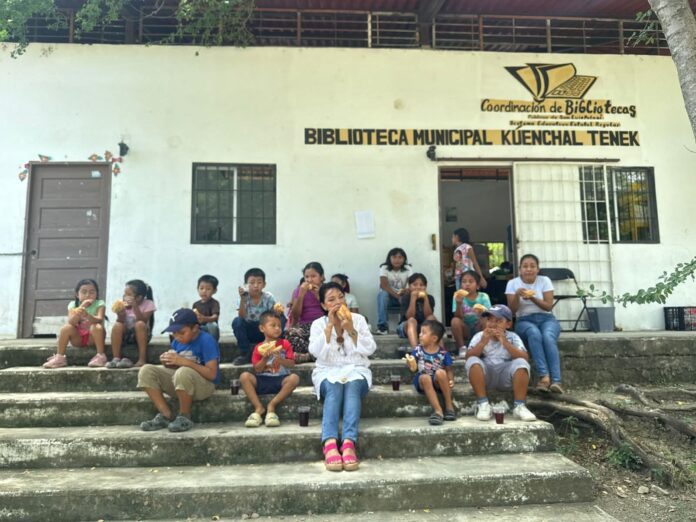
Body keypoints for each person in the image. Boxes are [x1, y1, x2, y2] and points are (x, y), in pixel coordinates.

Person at [309, 282, 376, 472]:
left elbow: (370, 349)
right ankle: (330, 442)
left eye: (340, 297)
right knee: (334, 387)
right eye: (331, 300)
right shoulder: (318, 324)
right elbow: (315, 352)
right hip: (327, 370)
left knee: (352, 386)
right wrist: (330, 326)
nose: (338, 302)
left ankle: (348, 443)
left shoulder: (358, 319)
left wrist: (351, 330)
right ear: (324, 305)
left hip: (357, 368)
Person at [138, 308, 220, 433]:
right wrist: (168, 362)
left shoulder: (206, 340)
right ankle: (166, 415)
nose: (177, 337)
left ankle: (184, 416)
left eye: (181, 333)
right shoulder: (177, 342)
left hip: (205, 386)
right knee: (146, 370)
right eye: (174, 333)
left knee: (183, 372)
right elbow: (177, 368)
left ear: (195, 328)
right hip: (183, 383)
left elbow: (212, 374)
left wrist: (185, 362)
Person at [464, 304, 537, 422]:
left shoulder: (513, 337)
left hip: (506, 376)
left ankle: (519, 406)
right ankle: (483, 404)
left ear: (508, 324)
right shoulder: (479, 336)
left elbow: (525, 357)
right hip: (486, 376)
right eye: (489, 320)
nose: (492, 324)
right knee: (473, 361)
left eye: (498, 321)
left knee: (521, 363)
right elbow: (468, 357)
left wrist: (505, 342)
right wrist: (482, 343)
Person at [506, 254, 564, 394]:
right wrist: (517, 296)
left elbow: (548, 306)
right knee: (534, 333)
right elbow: (511, 311)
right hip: (524, 320)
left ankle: (556, 381)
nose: (529, 269)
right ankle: (544, 377)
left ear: (538, 269)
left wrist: (532, 297)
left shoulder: (545, 281)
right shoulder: (513, 283)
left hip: (547, 319)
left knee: (548, 336)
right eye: (525, 266)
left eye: (532, 266)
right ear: (520, 269)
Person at [239, 311, 300, 428]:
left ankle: (272, 405)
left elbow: (291, 364)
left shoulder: (285, 344)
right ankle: (258, 407)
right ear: (262, 328)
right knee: (244, 376)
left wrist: (281, 360)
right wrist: (265, 358)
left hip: (281, 380)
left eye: (279, 326)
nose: (277, 328)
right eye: (273, 325)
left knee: (294, 378)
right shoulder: (258, 347)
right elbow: (257, 369)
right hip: (262, 379)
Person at [43, 278, 107, 369]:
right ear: (77, 294)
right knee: (66, 328)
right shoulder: (73, 305)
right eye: (84, 292)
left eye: (92, 292)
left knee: (96, 326)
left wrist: (88, 315)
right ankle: (60, 357)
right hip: (78, 339)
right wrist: (81, 308)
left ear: (96, 294)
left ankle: (100, 356)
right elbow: (71, 322)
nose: (88, 295)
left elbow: (99, 319)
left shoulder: (99, 303)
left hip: (93, 338)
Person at [405, 319, 456, 425]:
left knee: (441, 372)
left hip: (437, 381)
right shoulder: (418, 350)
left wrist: (451, 380)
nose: (419, 335)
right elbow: (413, 367)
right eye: (420, 332)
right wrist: (410, 363)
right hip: (423, 381)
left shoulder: (443, 353)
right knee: (425, 377)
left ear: (434, 338)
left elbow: (449, 369)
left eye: (423, 333)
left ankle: (449, 406)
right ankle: (438, 411)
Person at [232, 268, 284, 366]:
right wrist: (243, 300)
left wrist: (277, 312)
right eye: (252, 283)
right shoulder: (243, 298)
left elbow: (273, 317)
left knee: (281, 318)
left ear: (264, 284)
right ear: (246, 285)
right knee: (237, 321)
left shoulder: (268, 297)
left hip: (264, 331)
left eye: (259, 282)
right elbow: (241, 316)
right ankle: (245, 354)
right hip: (250, 330)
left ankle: (273, 349)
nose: (256, 286)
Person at [107, 279, 156, 368]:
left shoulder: (149, 304)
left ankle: (142, 359)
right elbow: (120, 321)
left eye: (129, 295)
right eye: (125, 294)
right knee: (117, 325)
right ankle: (116, 358)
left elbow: (143, 320)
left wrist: (135, 306)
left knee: (140, 324)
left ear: (139, 297)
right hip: (126, 335)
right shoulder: (123, 304)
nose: (125, 297)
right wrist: (120, 314)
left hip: (141, 335)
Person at [287, 262, 326, 363]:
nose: (309, 280)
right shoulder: (299, 291)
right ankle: (316, 354)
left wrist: (318, 295)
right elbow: (295, 316)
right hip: (305, 326)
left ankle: (308, 356)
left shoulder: (327, 290)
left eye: (313, 276)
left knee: (331, 338)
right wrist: (301, 295)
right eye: (307, 277)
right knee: (290, 335)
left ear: (321, 277)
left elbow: (330, 311)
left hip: (323, 325)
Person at [451, 270, 492, 357]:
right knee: (455, 321)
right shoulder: (457, 296)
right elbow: (458, 316)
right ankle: (462, 348)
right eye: (464, 282)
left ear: (477, 286)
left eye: (471, 281)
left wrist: (481, 314)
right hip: (465, 328)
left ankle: (484, 348)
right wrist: (458, 304)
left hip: (479, 326)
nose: (467, 284)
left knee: (486, 320)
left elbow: (489, 316)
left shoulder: (483, 296)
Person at [375, 247, 413, 335]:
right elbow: (383, 285)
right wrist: (397, 296)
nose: (397, 260)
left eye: (400, 257)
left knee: (410, 294)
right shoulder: (384, 267)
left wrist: (403, 295)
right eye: (394, 257)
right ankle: (383, 327)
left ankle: (403, 326)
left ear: (404, 259)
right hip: (389, 298)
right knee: (382, 294)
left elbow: (411, 284)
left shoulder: (408, 268)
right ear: (389, 258)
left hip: (403, 296)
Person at [397, 273, 436, 349]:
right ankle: (416, 350)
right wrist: (413, 299)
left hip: (423, 327)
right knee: (412, 320)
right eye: (414, 285)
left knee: (432, 318)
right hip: (406, 327)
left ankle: (441, 350)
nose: (418, 287)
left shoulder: (430, 298)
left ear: (425, 287)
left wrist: (426, 299)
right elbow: (409, 316)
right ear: (409, 286)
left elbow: (428, 315)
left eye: (421, 285)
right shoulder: (405, 298)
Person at [192, 274, 220, 341]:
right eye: (201, 288)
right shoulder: (195, 304)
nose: (204, 291)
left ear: (214, 291)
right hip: (199, 329)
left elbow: (215, 317)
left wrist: (204, 318)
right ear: (197, 289)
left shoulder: (214, 303)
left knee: (213, 325)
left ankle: (213, 344)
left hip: (209, 329)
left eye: (208, 289)